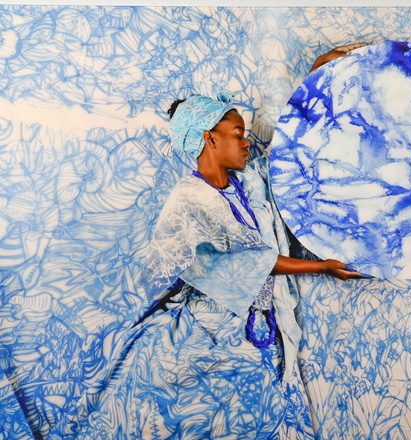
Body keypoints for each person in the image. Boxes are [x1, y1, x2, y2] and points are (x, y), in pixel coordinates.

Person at [50, 43, 365, 440]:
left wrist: (316, 75)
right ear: (209, 139)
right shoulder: (189, 199)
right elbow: (254, 260)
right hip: (207, 335)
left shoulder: (248, 183)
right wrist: (322, 267)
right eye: (238, 134)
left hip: (250, 335)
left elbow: (288, 148)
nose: (247, 142)